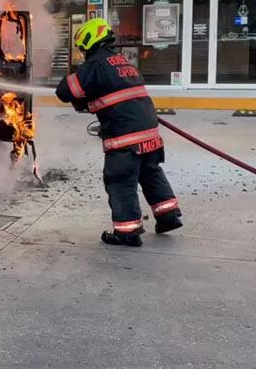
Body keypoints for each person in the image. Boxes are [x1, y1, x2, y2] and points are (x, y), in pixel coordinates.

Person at [56, 18, 182, 247]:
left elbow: (65, 91)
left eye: (83, 48)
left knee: (120, 180)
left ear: (90, 41)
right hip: (149, 131)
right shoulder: (123, 61)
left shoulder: (96, 64)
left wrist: (74, 86)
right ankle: (168, 216)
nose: (83, 53)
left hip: (126, 136)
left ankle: (127, 232)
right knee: (150, 172)